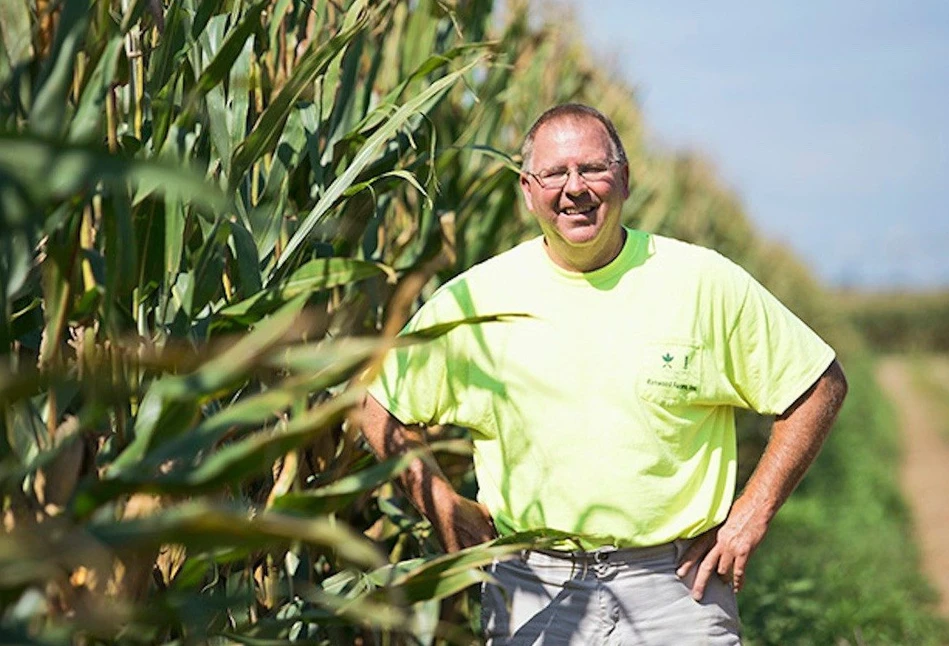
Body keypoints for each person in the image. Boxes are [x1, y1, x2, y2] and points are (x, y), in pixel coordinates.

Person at [360, 103, 848, 645]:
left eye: (592, 169)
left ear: (624, 179)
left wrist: (751, 515)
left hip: (676, 591)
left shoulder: (701, 282)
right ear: (527, 190)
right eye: (554, 174)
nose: (575, 188)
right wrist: (441, 504)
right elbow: (378, 409)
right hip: (533, 588)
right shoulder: (478, 300)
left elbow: (818, 384)